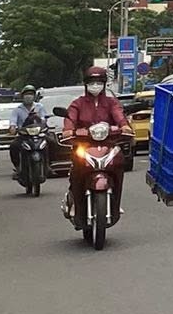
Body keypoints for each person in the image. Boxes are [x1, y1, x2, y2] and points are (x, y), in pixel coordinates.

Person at [62, 67, 131, 223]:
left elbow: (119, 116)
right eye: (92, 82)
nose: (95, 86)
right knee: (76, 170)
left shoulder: (112, 103)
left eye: (99, 82)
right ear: (86, 84)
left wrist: (124, 126)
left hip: (108, 145)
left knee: (119, 163)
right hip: (84, 145)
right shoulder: (78, 103)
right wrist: (68, 130)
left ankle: (115, 202)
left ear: (104, 84)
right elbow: (70, 118)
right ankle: (76, 203)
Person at [9, 86, 51, 171]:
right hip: (24, 136)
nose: (28, 96)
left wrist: (40, 119)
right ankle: (18, 167)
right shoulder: (17, 110)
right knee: (13, 146)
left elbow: (44, 119)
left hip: (39, 134)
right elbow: (13, 122)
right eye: (26, 94)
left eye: (31, 94)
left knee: (51, 143)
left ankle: (48, 165)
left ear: (34, 96)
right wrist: (12, 128)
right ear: (22, 96)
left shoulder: (40, 107)